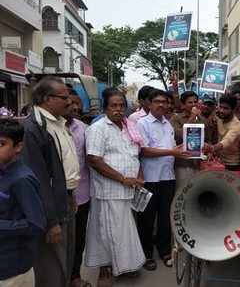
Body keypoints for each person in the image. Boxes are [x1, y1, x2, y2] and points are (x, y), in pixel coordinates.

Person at [21, 76, 80, 287]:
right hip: (50, 206)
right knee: (52, 263)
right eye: (64, 97)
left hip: (66, 198)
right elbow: (39, 179)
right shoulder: (34, 128)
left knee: (66, 257)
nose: (69, 102)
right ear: (47, 98)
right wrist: (51, 220)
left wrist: (71, 196)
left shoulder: (59, 123)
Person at [84, 88, 145, 284]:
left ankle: (125, 266)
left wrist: (139, 175)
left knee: (124, 231)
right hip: (109, 190)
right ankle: (105, 268)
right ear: (105, 108)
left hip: (128, 189)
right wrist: (122, 178)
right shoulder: (98, 128)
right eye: (114, 106)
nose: (118, 109)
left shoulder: (128, 127)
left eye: (121, 106)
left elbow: (134, 154)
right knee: (106, 231)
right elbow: (94, 159)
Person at [137, 89, 191, 271]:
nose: (162, 104)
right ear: (150, 104)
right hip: (150, 178)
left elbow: (169, 148)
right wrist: (173, 151)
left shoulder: (167, 124)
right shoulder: (142, 123)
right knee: (146, 220)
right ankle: (146, 255)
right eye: (157, 101)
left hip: (168, 177)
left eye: (164, 102)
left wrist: (183, 148)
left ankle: (164, 251)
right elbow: (144, 150)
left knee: (165, 218)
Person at [0, 119, 46, 287]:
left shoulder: (22, 179)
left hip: (12, 268)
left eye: (1, 144)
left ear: (18, 147)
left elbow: (36, 224)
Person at [64, 90, 91, 287]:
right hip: (59, 197)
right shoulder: (49, 129)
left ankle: (75, 276)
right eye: (71, 102)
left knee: (78, 239)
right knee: (60, 241)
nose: (75, 107)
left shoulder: (83, 128)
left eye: (78, 104)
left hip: (82, 195)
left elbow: (91, 160)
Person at [170, 91, 217, 190]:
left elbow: (209, 139)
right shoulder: (176, 118)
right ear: (183, 105)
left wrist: (208, 148)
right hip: (183, 163)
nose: (193, 105)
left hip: (199, 163)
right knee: (182, 190)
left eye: (195, 102)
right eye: (190, 102)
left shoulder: (203, 120)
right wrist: (191, 118)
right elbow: (177, 136)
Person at [204, 95, 240, 170]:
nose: (221, 110)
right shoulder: (219, 117)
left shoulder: (236, 126)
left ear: (233, 110)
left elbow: (226, 141)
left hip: (231, 164)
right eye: (220, 107)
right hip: (218, 160)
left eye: (226, 108)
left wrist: (211, 148)